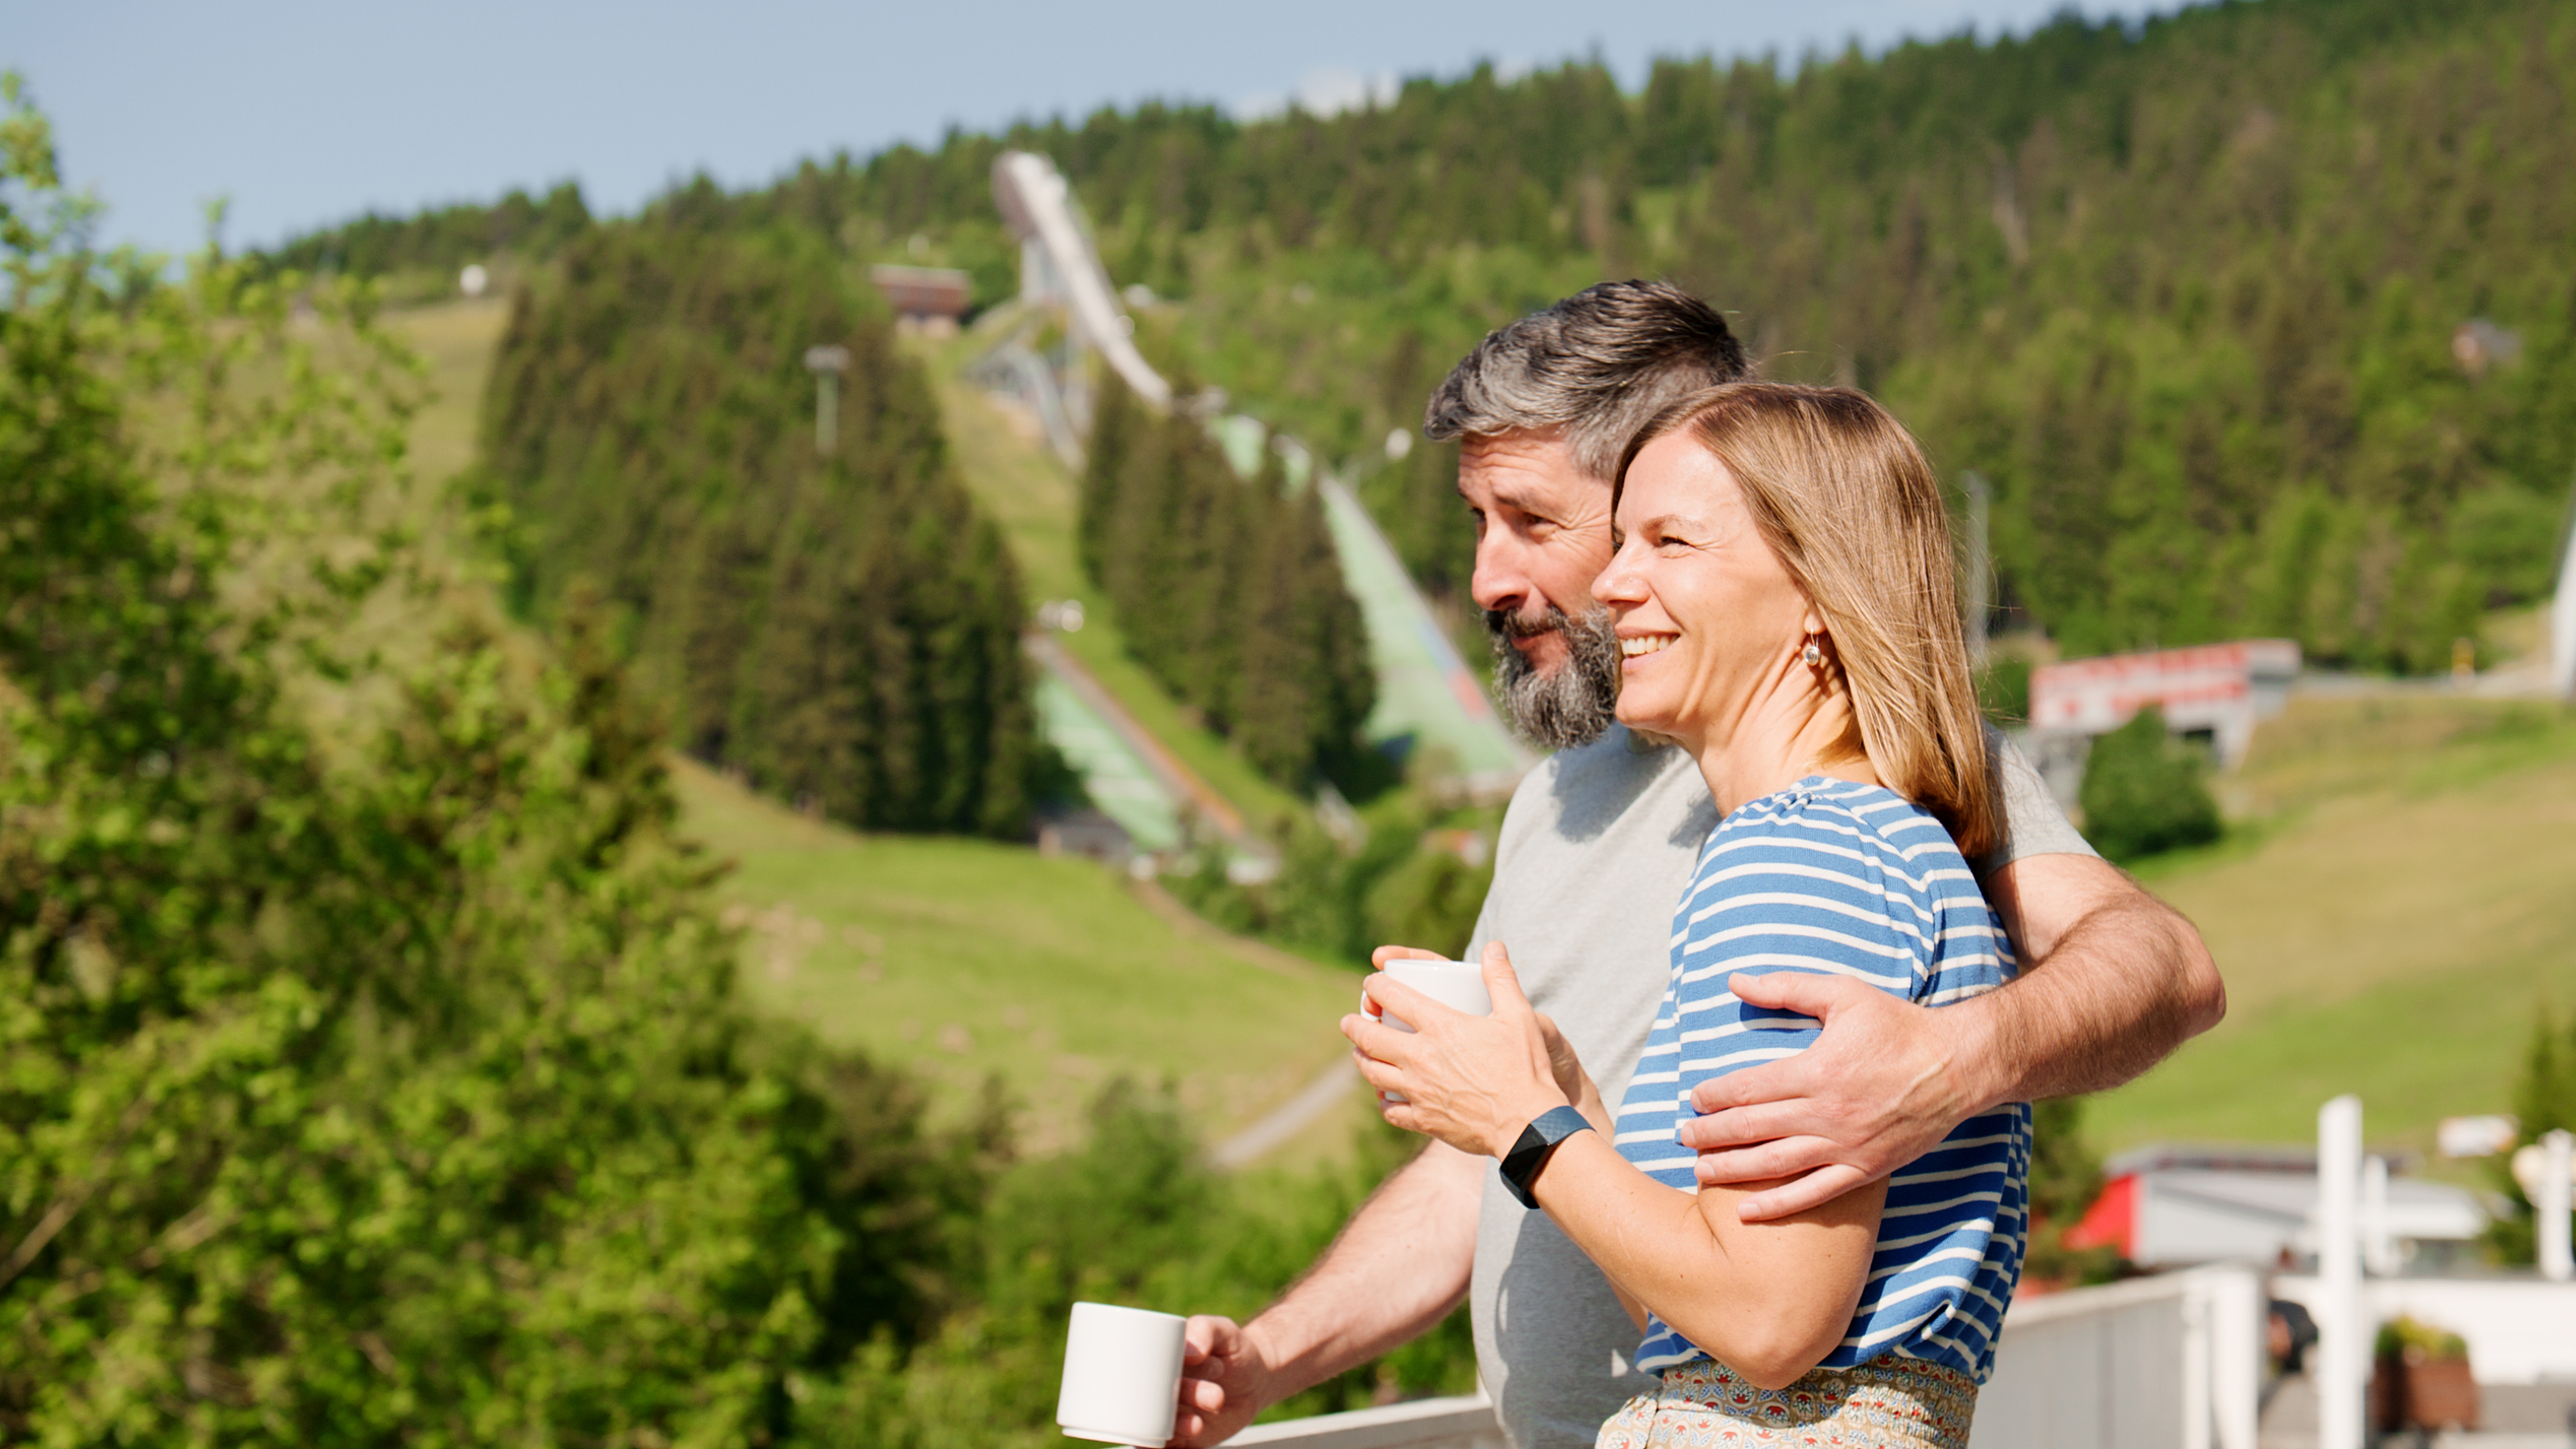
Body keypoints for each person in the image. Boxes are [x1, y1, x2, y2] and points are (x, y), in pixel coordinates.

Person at [1171, 283, 2223, 1448]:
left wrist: (1947, 1062)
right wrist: (1268, 1359)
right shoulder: (1551, 804)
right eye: (1475, 522)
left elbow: (2165, 966)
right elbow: (1484, 1175)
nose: (1486, 577)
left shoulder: (1864, 781)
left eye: (1534, 520)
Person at [1352, 380, 2031, 1445]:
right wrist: (1569, 1099)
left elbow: (1770, 1324)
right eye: (1621, 543)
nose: (1615, 586)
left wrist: (1521, 1129)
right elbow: (1698, 1313)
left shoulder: (1795, 853)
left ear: (1816, 588)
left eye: (1670, 543)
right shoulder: (1877, 837)